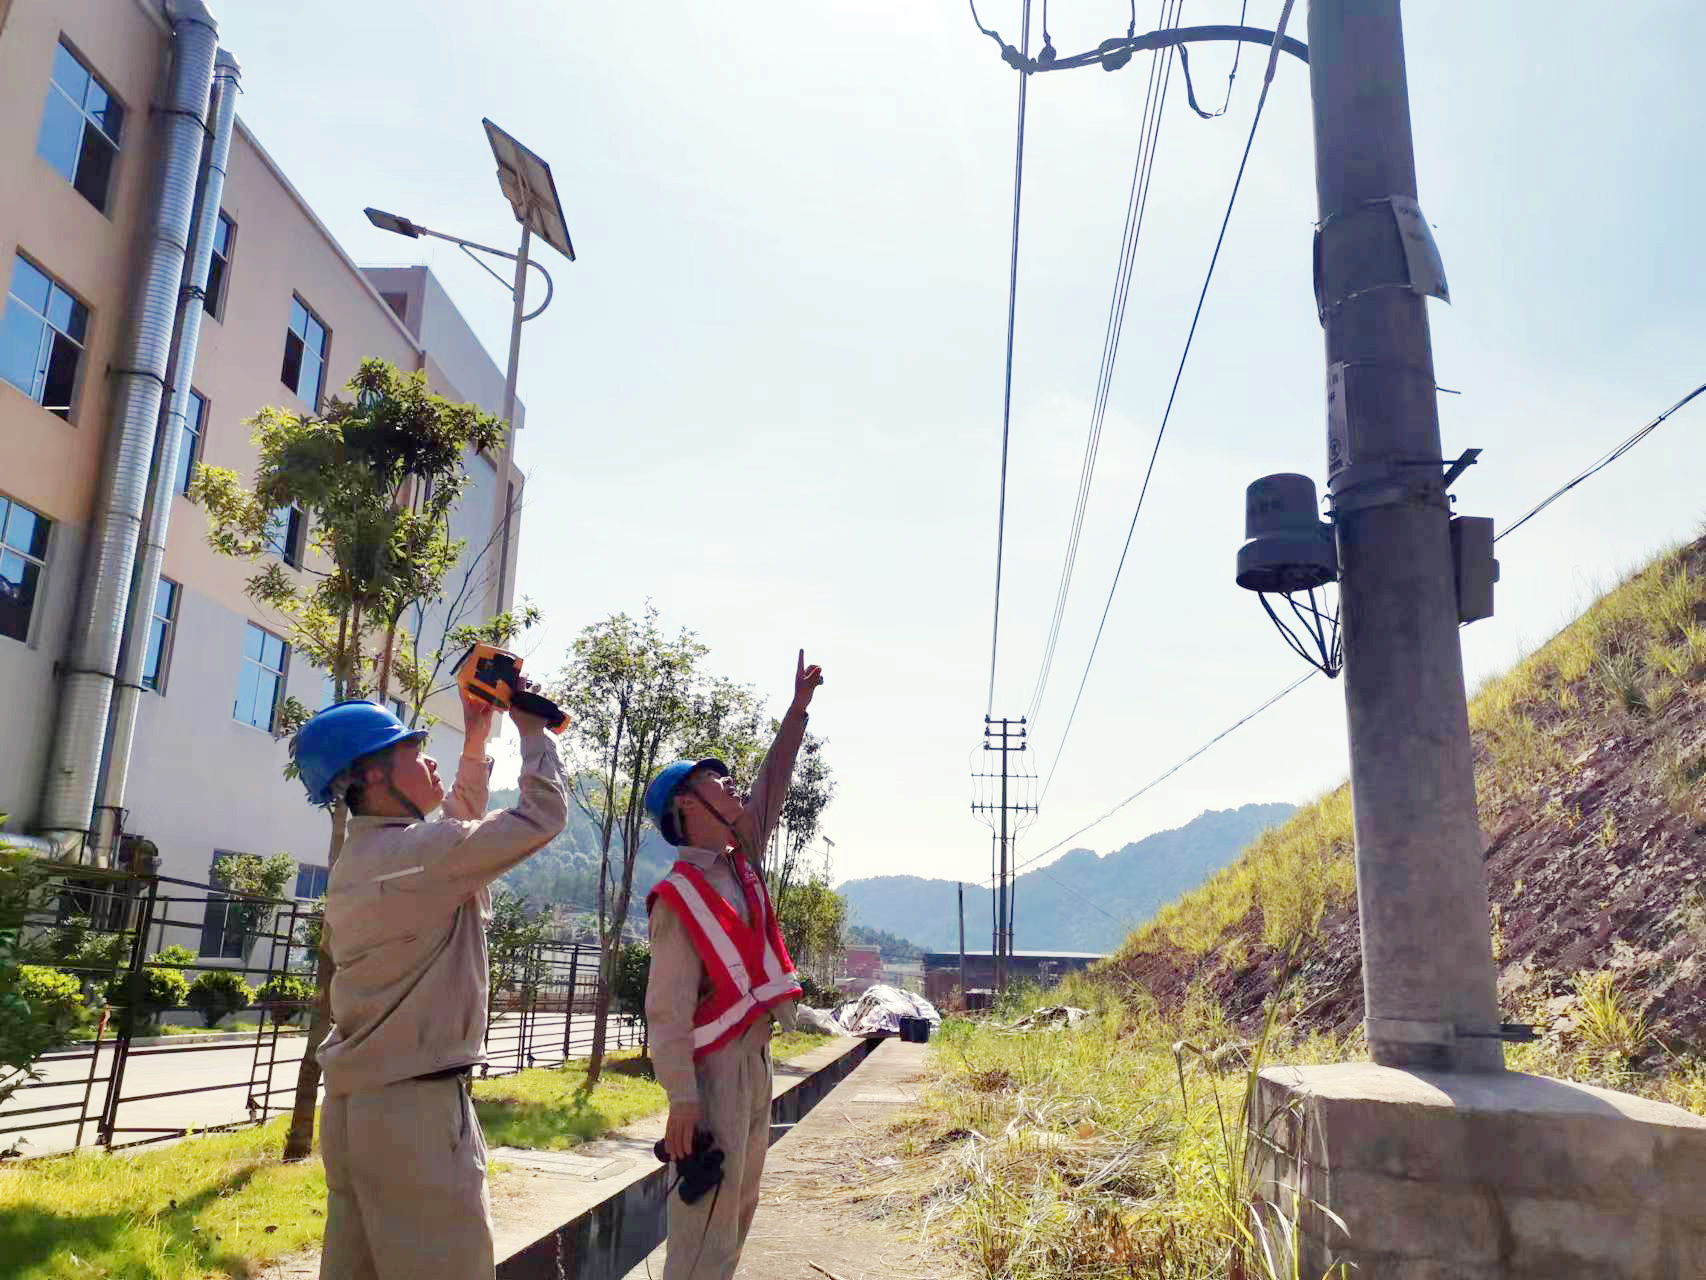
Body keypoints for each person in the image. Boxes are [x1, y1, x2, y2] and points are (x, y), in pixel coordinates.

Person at [290, 685, 566, 1280]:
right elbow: (540, 817)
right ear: (372, 775)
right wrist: (533, 732)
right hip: (415, 1116)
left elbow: (456, 838)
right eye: (414, 752)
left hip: (361, 1109)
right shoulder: (418, 856)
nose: (430, 759)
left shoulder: (374, 857)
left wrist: (476, 740)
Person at [642, 650, 825, 1280]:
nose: (735, 789)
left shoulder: (739, 860)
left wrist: (797, 712)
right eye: (719, 783)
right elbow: (667, 1010)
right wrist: (682, 1100)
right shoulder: (679, 897)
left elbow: (772, 784)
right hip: (714, 1071)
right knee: (705, 1227)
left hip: (755, 1058)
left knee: (739, 1207)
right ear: (688, 806)